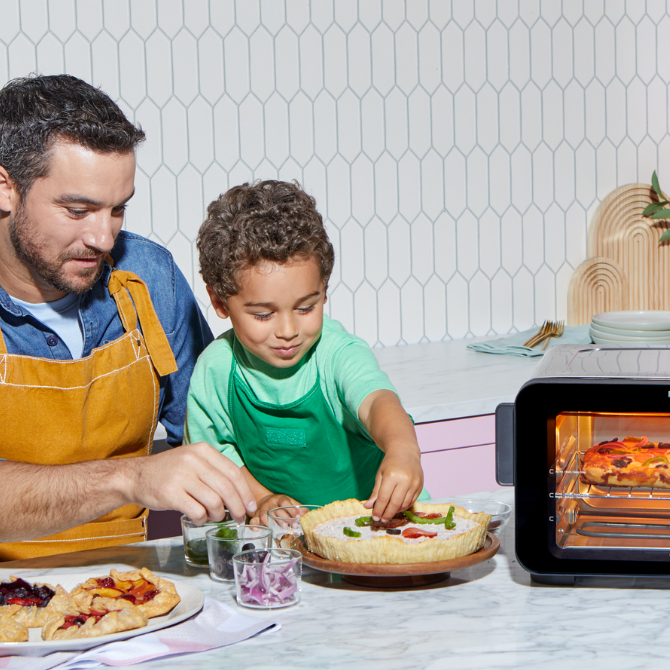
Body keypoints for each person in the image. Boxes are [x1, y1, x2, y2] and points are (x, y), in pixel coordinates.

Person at [0, 74, 256, 560]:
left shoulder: (149, 277)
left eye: (118, 209)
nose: (103, 237)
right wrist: (127, 477)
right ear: (5, 188)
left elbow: (214, 434)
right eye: (78, 210)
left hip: (129, 588)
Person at [185, 180, 426, 526]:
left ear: (323, 291)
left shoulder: (335, 353)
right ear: (220, 302)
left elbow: (376, 401)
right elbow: (215, 461)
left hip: (381, 525)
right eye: (263, 314)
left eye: (305, 308)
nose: (287, 330)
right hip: (292, 543)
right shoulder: (216, 370)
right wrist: (263, 498)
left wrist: (404, 450)